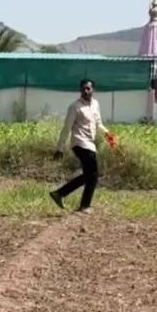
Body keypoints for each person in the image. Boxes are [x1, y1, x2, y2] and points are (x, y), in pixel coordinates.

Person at [48, 78, 113, 213]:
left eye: (88, 88)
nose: (85, 91)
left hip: (90, 143)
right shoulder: (75, 107)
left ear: (93, 90)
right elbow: (66, 128)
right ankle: (83, 205)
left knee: (90, 175)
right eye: (83, 88)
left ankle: (60, 194)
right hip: (79, 143)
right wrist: (59, 148)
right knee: (92, 174)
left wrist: (108, 134)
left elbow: (98, 123)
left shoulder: (95, 104)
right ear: (80, 90)